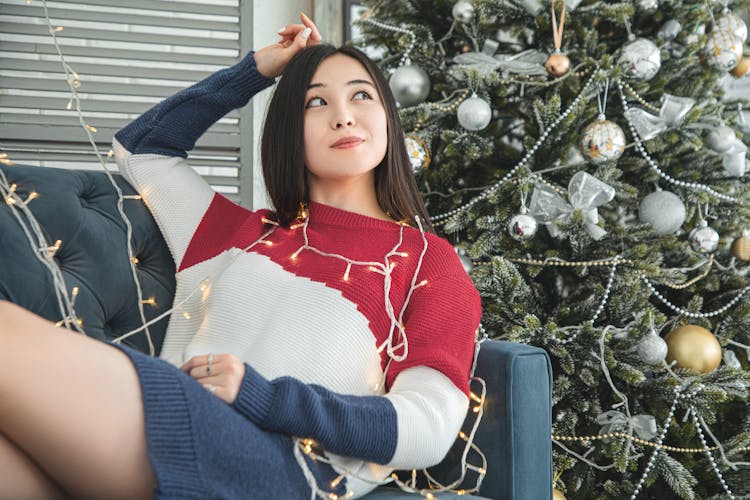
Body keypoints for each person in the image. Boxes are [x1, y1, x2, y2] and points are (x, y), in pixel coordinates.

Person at [0, 13, 482, 500]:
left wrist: (266, 397)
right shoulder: (235, 233)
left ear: (387, 117)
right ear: (289, 130)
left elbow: (431, 426)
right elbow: (142, 149)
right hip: (178, 436)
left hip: (283, 470)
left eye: (362, 94)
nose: (343, 115)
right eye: (316, 101)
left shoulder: (425, 262)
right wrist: (259, 69)